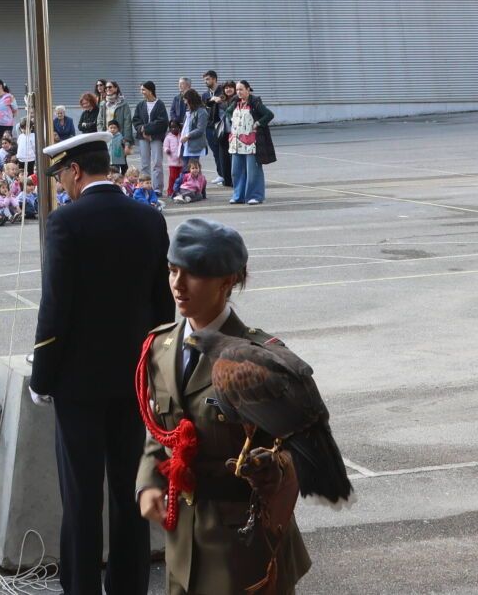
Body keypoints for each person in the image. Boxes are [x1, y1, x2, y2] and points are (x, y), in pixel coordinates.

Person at [29, 132, 174, 595]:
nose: (61, 188)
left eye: (62, 178)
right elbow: (162, 307)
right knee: (130, 491)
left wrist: (43, 374)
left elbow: (56, 309)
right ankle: (130, 587)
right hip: (133, 379)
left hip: (78, 383)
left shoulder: (66, 223)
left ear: (75, 171)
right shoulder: (149, 219)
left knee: (82, 497)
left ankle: (82, 588)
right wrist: (152, 368)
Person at [137, 218, 313, 595]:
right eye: (172, 271)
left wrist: (275, 469)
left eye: (194, 274)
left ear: (228, 280)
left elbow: (304, 450)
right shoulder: (160, 347)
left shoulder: (261, 361)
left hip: (244, 548)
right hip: (184, 544)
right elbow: (162, 430)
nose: (177, 285)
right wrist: (148, 482)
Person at [227, 80, 275, 207]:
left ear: (248, 90)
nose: (239, 92)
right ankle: (238, 196)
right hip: (236, 142)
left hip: (251, 143)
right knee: (236, 171)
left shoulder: (255, 102)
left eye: (241, 89)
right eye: (237, 90)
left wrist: (258, 123)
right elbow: (227, 112)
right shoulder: (235, 102)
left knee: (253, 171)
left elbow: (269, 115)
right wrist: (231, 120)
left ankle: (255, 196)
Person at [132, 82, 169, 179]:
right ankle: (145, 187)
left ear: (150, 90)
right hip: (142, 137)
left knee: (157, 163)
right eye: (141, 90)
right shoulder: (140, 105)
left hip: (156, 137)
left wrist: (146, 129)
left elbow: (163, 122)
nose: (142, 92)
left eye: (143, 90)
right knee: (145, 164)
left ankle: (157, 189)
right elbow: (136, 120)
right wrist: (141, 129)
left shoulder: (160, 104)